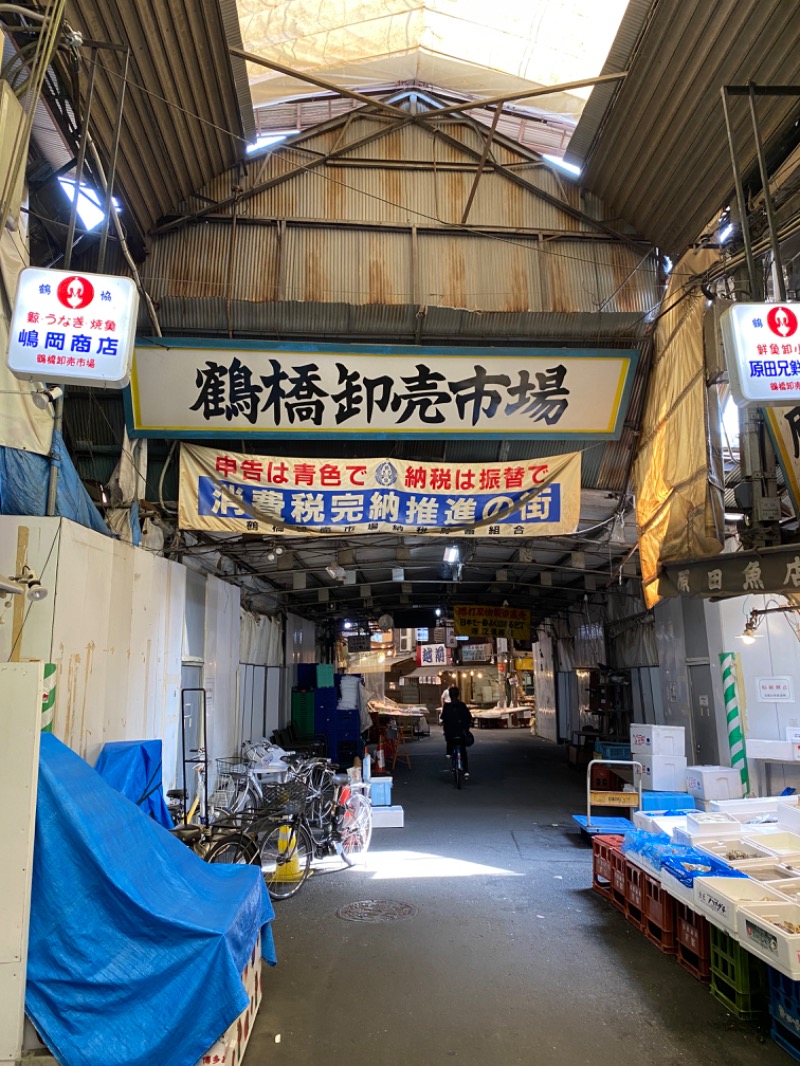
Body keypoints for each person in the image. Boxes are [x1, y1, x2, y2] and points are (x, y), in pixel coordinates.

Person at [441, 686, 474, 778]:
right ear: (458, 695)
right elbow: (469, 717)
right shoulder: (462, 705)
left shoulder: (447, 706)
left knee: (449, 736)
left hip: (451, 735)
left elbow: (443, 718)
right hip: (461, 733)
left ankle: (449, 752)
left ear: (450, 696)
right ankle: (466, 771)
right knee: (463, 751)